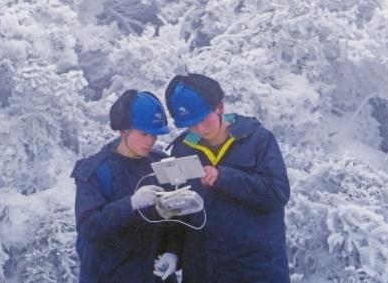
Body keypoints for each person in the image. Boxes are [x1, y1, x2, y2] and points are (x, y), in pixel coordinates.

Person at [161, 73, 291, 283]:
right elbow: (179, 211)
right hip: (203, 271)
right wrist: (172, 251)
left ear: (219, 107)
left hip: (255, 270)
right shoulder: (182, 149)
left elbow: (278, 193)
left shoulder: (258, 140)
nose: (200, 129)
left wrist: (225, 178)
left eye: (203, 119)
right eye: (191, 124)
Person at [71, 89, 177, 282]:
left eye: (154, 135)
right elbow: (89, 227)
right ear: (123, 131)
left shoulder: (162, 163)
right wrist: (130, 204)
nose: (150, 141)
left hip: (155, 276)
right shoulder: (96, 170)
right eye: (143, 133)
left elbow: (176, 218)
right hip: (110, 276)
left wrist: (173, 251)